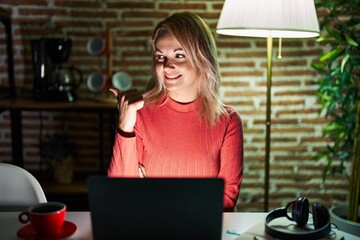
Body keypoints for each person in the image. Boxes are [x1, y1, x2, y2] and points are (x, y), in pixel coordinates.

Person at [108, 11, 243, 212]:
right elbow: (120, 195)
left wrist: (153, 195)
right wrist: (125, 126)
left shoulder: (228, 121)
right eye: (160, 56)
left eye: (179, 55)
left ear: (202, 58)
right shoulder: (139, 113)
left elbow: (225, 201)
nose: (167, 66)